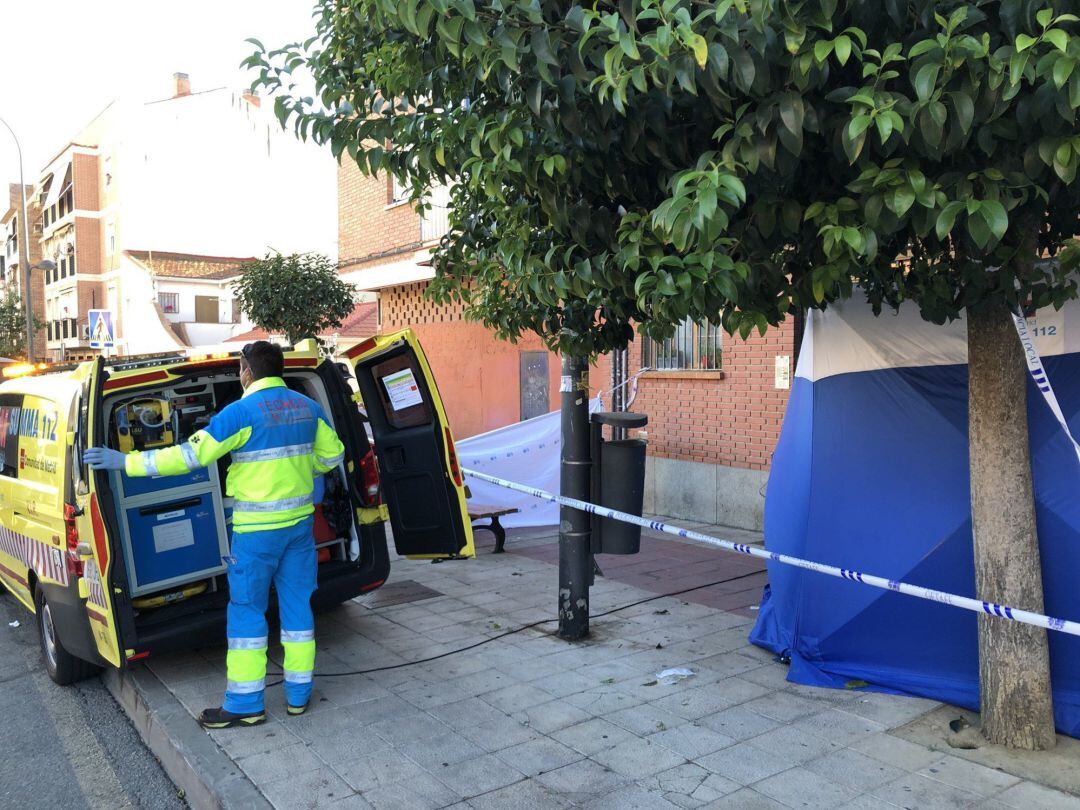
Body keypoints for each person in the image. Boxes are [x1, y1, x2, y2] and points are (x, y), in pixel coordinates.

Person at [85, 341, 345, 729]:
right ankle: (298, 695)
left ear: (246, 371)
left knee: (247, 614)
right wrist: (299, 472)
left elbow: (189, 457)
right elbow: (332, 456)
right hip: (298, 529)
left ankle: (245, 704)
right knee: (298, 608)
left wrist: (126, 462)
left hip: (256, 535)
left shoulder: (239, 413)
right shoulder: (308, 408)